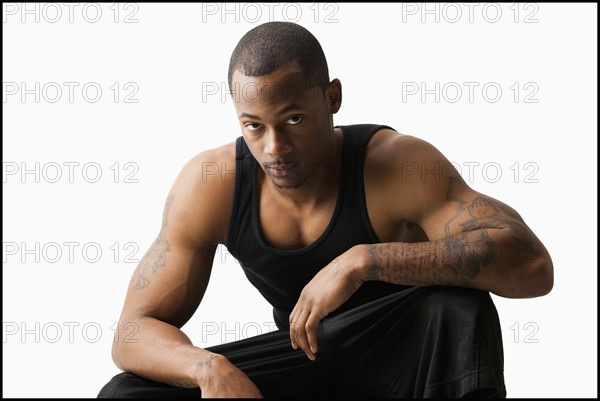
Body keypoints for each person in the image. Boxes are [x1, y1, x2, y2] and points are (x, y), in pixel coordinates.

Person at [98, 21, 553, 398]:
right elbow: (132, 332)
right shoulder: (213, 185)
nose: (274, 148)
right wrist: (206, 369)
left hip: (413, 368)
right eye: (254, 126)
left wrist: (364, 261)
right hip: (310, 356)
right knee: (128, 392)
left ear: (331, 98)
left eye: (293, 119)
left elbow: (532, 264)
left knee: (456, 306)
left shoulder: (397, 165)